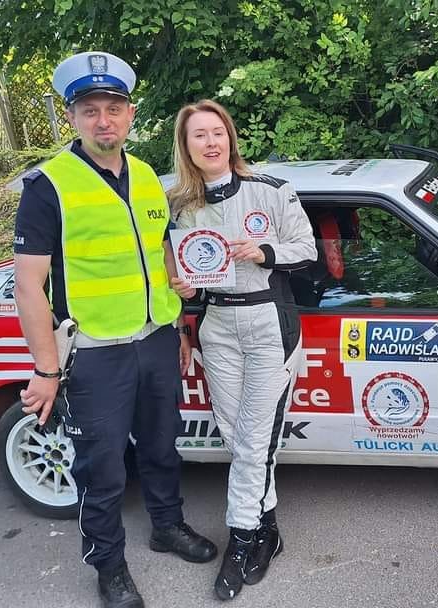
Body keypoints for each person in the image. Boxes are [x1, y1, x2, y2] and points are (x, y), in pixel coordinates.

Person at [13, 51, 217, 608]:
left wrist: (179, 326)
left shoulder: (148, 176)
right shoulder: (48, 186)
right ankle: (109, 566)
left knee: (162, 446)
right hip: (95, 353)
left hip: (156, 340)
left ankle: (167, 527)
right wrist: (46, 370)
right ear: (72, 118)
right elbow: (28, 288)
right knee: (101, 469)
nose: (103, 120)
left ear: (130, 114)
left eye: (113, 108)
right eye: (90, 110)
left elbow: (161, 254)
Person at [168, 99, 316, 601]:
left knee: (254, 441)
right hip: (216, 326)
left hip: (268, 321)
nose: (210, 142)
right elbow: (184, 277)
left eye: (217, 132)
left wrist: (263, 252)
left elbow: (307, 249)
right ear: (186, 146)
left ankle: (241, 540)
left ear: (230, 138)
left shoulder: (271, 190)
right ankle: (268, 530)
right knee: (237, 437)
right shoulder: (181, 206)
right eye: (199, 135)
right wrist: (185, 291)